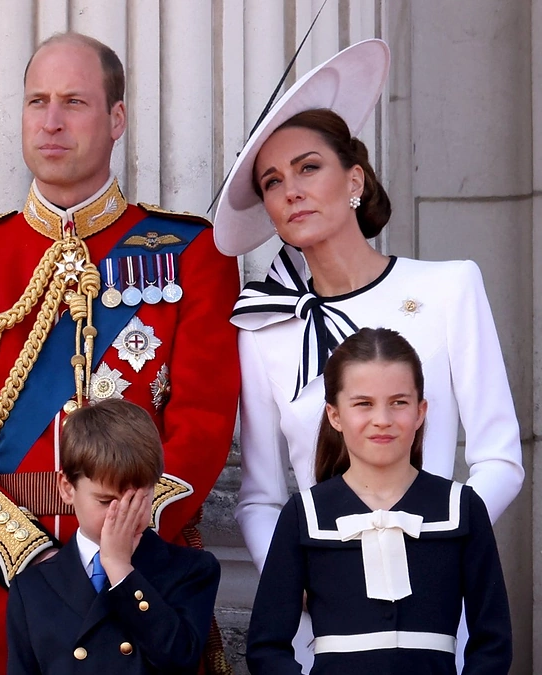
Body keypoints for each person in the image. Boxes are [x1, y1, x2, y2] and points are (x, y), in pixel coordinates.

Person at [0, 32, 240, 674]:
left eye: (75, 101)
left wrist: (119, 541)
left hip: (141, 578)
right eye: (37, 101)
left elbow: (203, 425)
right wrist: (26, 553)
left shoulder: (191, 254)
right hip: (2, 589)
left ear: (117, 118)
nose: (52, 121)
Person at [213, 39, 524, 671]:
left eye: (308, 168)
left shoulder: (449, 287)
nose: (291, 190)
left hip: (431, 615)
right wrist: (304, 567)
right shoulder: (262, 327)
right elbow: (261, 496)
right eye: (274, 182)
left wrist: (433, 542)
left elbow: (501, 458)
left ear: (353, 179)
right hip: (320, 629)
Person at [246, 328, 511, 674]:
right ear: (335, 415)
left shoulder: (462, 507)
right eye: (363, 404)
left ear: (420, 411)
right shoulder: (304, 515)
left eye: (399, 402)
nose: (382, 420)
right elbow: (266, 648)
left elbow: (493, 642)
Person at [6, 399, 219, 674]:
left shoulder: (191, 570)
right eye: (107, 502)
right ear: (67, 488)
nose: (122, 515)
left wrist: (121, 571)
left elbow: (179, 658)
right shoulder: (32, 587)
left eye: (137, 500)